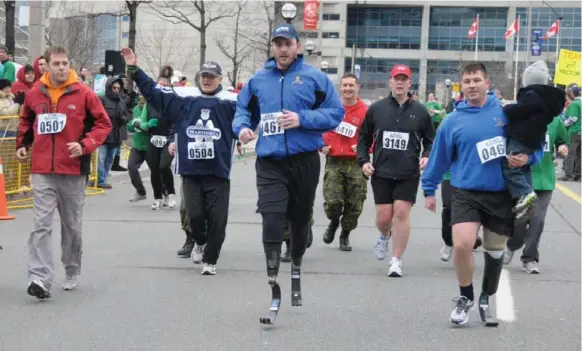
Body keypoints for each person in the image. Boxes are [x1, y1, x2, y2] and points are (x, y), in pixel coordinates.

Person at [233, 23, 343, 324]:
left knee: (299, 219)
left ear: (298, 46)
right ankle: (272, 279)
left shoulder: (315, 78)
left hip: (304, 160)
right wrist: (242, 128)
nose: (282, 49)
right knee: (271, 217)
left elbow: (335, 114)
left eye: (287, 44)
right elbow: (242, 111)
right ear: (273, 47)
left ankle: (295, 262)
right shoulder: (258, 80)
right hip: (270, 162)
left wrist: (302, 118)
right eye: (277, 44)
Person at [421, 61, 543, 326]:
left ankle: (487, 297)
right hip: (465, 191)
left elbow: (533, 143)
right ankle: (465, 297)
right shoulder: (452, 120)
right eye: (467, 81)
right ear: (461, 86)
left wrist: (528, 157)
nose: (472, 85)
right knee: (463, 243)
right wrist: (428, 189)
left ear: (487, 83)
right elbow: (439, 158)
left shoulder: (506, 114)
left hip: (500, 193)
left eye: (477, 80)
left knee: (495, 250)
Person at [121, 48, 237, 275]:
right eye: (203, 76)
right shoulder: (185, 99)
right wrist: (134, 69)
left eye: (211, 77)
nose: (206, 80)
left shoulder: (230, 101)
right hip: (191, 171)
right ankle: (200, 242)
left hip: (218, 172)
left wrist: (244, 131)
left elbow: (253, 113)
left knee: (218, 221)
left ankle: (210, 261)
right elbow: (154, 94)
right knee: (194, 218)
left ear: (220, 80)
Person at [16, 46, 111, 299]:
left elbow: (104, 124)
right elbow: (26, 120)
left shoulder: (85, 94)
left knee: (71, 226)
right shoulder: (35, 93)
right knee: (41, 224)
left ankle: (71, 268)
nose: (61, 68)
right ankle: (40, 278)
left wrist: (84, 145)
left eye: (65, 63)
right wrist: (22, 145)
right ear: (46, 66)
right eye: (56, 63)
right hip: (43, 169)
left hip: (73, 169)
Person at [356, 64, 435, 277]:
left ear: (410, 83)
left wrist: (426, 156)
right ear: (390, 82)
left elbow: (430, 140)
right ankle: (384, 235)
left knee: (401, 212)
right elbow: (363, 138)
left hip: (407, 173)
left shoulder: (420, 111)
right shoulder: (377, 109)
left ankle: (396, 260)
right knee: (383, 218)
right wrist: (363, 161)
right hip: (381, 171)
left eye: (404, 79)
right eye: (396, 78)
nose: (399, 83)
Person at [504, 115, 569, 273]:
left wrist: (563, 147)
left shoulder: (554, 121)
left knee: (537, 221)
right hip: (522, 179)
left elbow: (563, 140)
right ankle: (513, 244)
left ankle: (529, 258)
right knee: (520, 219)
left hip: (544, 180)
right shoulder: (518, 119)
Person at [502, 61, 565, 218]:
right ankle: (528, 195)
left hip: (522, 136)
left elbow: (522, 109)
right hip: (533, 139)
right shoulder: (546, 99)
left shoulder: (532, 95)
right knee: (523, 169)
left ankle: (526, 193)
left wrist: (507, 109)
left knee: (510, 166)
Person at [321, 73, 369, 251]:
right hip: (334, 161)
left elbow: (374, 136)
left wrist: (366, 148)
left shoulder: (365, 111)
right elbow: (320, 128)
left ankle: (345, 234)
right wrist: (321, 145)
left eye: (351, 85)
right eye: (344, 85)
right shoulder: (331, 108)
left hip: (356, 162)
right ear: (340, 88)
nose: (348, 89)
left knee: (355, 203)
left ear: (357, 87)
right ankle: (334, 222)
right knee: (332, 202)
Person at [136, 77, 176, 210]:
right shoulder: (149, 103)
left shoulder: (172, 102)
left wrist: (174, 138)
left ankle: (170, 194)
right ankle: (157, 197)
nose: (162, 88)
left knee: (164, 166)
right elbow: (142, 123)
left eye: (165, 86)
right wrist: (147, 124)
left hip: (167, 140)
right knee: (154, 169)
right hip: (153, 138)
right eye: (160, 85)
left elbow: (178, 122)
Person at [97, 77, 129, 189]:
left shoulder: (121, 101)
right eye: (114, 87)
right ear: (109, 87)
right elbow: (96, 115)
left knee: (109, 159)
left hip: (116, 134)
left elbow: (126, 115)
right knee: (100, 158)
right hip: (104, 133)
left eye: (118, 88)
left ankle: (103, 179)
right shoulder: (102, 99)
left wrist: (123, 118)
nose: (116, 89)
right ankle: (99, 180)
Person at [126, 94, 150, 202]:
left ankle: (164, 194)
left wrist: (147, 125)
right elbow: (131, 127)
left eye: (143, 100)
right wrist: (131, 125)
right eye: (140, 100)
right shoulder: (135, 109)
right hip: (137, 145)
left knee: (157, 171)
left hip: (149, 145)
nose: (141, 101)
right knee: (131, 167)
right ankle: (140, 192)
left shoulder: (152, 109)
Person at [559, 85, 581, 182]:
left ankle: (569, 175)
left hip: (574, 131)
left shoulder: (574, 104)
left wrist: (563, 124)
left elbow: (573, 119)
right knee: (579, 154)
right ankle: (578, 175)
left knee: (570, 153)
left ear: (572, 93)